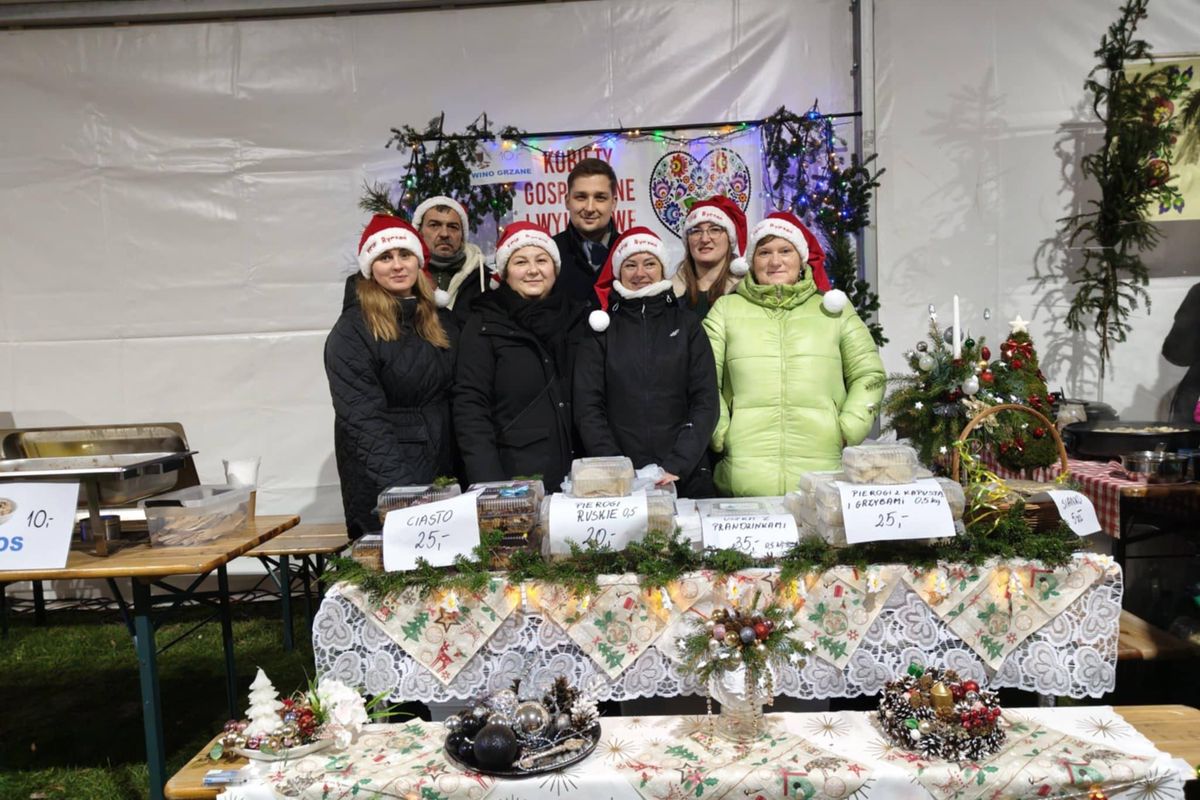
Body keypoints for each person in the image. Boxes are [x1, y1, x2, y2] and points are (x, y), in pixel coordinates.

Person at [703, 211, 884, 496]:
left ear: (801, 259)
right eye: (764, 252)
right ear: (751, 261)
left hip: (821, 479)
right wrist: (721, 433)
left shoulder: (834, 310)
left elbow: (869, 374)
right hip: (744, 478)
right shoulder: (726, 310)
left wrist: (847, 429)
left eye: (785, 251)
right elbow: (702, 380)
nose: (775, 261)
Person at [325, 215, 458, 538]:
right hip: (385, 481)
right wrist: (403, 495)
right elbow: (364, 423)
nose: (397, 265)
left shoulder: (441, 321)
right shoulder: (353, 331)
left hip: (442, 471)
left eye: (405, 255)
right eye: (385, 257)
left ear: (418, 261)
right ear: (370, 268)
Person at [574, 227, 719, 497]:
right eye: (630, 265)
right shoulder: (601, 331)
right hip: (620, 482)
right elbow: (588, 407)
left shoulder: (687, 325)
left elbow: (706, 401)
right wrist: (617, 468)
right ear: (619, 272)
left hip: (686, 475)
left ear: (662, 269)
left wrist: (677, 464)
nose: (640, 273)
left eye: (650, 263)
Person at [454, 222, 589, 491]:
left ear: (555, 268)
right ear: (505, 272)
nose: (533, 270)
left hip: (582, 479)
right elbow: (471, 409)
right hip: (515, 480)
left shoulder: (578, 317)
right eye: (520, 262)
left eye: (542, 260)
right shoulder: (484, 322)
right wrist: (490, 484)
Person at [551, 158, 621, 306]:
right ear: (567, 201)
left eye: (600, 198)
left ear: (613, 203)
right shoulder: (548, 254)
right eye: (581, 197)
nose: (589, 208)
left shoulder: (631, 253)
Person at [412, 195, 489, 325]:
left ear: (462, 235)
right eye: (434, 225)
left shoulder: (484, 280)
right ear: (419, 232)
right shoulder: (403, 277)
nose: (444, 234)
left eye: (453, 227)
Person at [671, 196, 748, 318]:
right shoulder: (668, 295)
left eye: (715, 230)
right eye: (696, 231)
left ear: (730, 238)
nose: (705, 239)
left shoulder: (748, 290)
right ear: (687, 240)